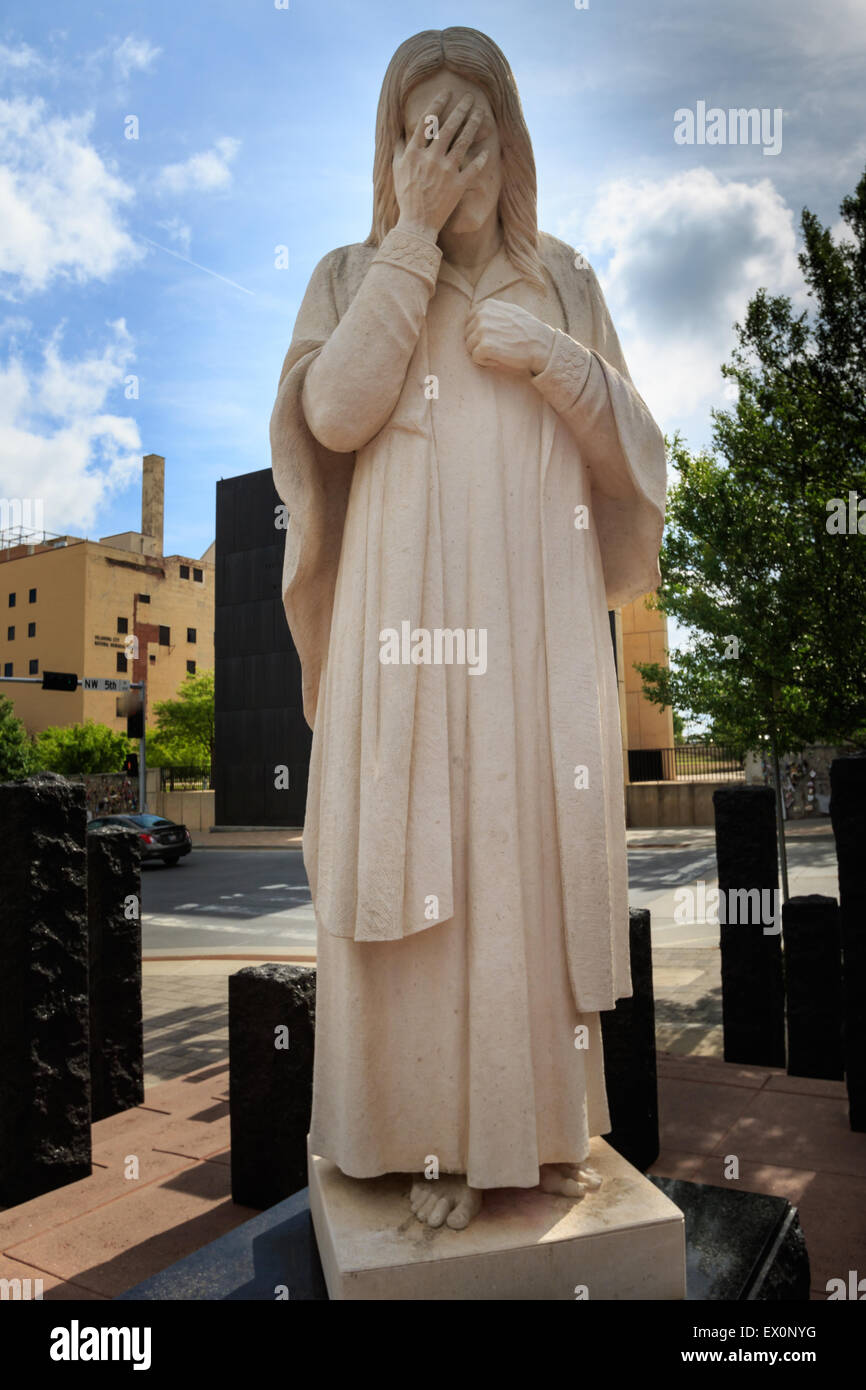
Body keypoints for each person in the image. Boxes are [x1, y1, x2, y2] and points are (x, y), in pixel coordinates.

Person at [271, 27, 666, 1230]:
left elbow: (637, 466)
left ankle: (529, 1132)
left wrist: (561, 365)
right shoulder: (351, 271)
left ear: (512, 142)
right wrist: (405, 248)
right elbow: (332, 415)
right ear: (393, 152)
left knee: (522, 860)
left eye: (471, 127)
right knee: (411, 859)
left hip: (535, 634)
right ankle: (406, 1142)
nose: (450, 151)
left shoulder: (564, 284)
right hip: (404, 634)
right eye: (422, 129)